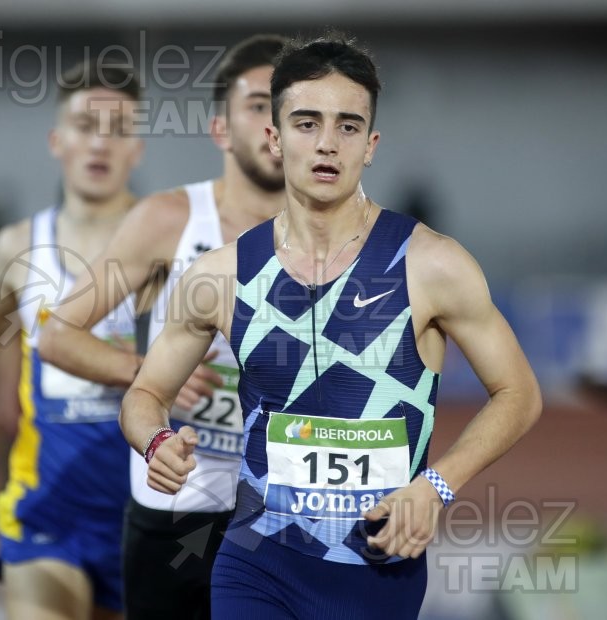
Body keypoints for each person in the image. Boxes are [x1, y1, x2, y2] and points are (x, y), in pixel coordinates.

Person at [120, 33, 542, 619]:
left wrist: (437, 486)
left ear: (370, 145)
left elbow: (519, 393)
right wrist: (157, 440)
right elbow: (144, 394)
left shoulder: (432, 266)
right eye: (306, 122)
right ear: (274, 137)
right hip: (255, 562)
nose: (326, 143)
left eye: (347, 126)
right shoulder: (219, 277)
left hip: (375, 570)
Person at [38, 35, 287, 619]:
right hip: (175, 508)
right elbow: (57, 332)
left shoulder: (337, 235)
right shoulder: (169, 220)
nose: (274, 123)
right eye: (257, 105)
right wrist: (149, 375)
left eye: (287, 107)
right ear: (220, 129)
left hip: (285, 510)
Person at [0, 60, 144, 620]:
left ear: (136, 148)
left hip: (149, 515)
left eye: (117, 129)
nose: (99, 143)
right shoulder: (19, 246)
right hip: (47, 508)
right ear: (56, 140)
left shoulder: (174, 244)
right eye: (83, 126)